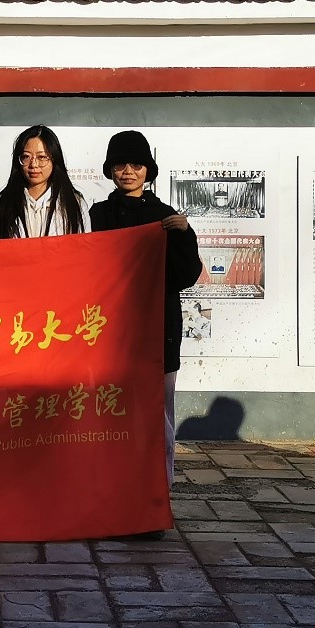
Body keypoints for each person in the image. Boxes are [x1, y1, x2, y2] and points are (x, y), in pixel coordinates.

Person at [88, 130, 202, 535]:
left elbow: (186, 275)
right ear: (110, 170)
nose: (128, 171)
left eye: (136, 164)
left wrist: (184, 234)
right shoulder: (98, 215)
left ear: (148, 170)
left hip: (158, 330)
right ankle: (113, 496)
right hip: (112, 331)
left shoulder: (166, 217)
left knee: (158, 416)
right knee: (112, 416)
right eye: (120, 164)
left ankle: (157, 498)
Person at [0, 125, 91, 238]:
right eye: (26, 157)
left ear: (54, 159)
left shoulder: (74, 204)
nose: (34, 165)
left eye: (42, 157)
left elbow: (84, 246)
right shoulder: (2, 205)